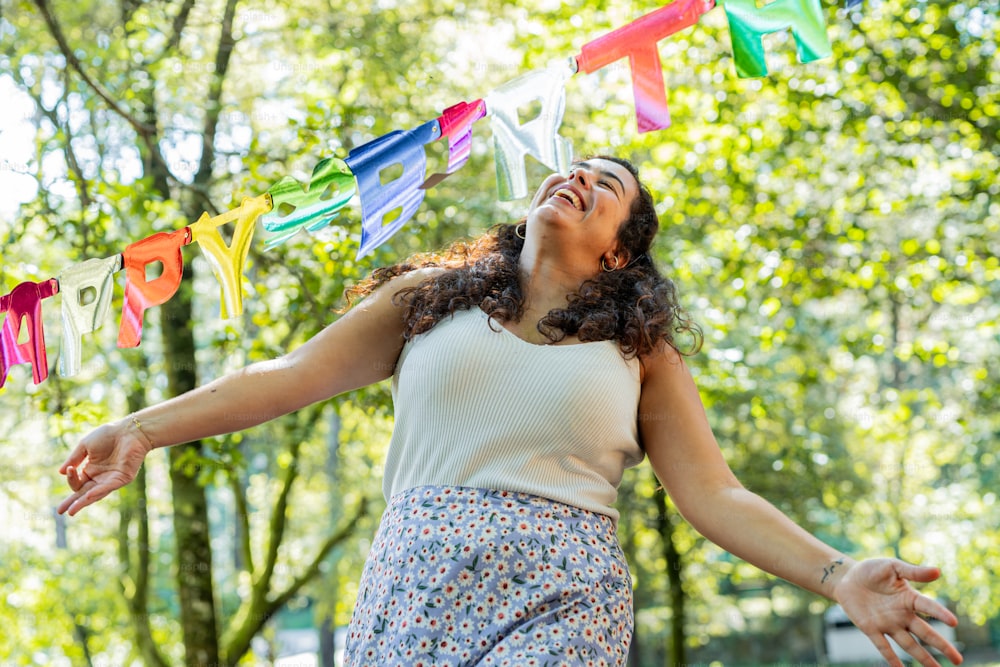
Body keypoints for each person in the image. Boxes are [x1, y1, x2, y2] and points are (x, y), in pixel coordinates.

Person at [57, 157, 963, 667]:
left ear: (619, 253)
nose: (580, 178)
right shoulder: (428, 300)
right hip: (410, 585)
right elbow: (287, 374)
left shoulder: (640, 351)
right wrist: (140, 427)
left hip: (565, 594)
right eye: (577, 168)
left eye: (607, 187)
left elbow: (715, 495)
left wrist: (837, 570)